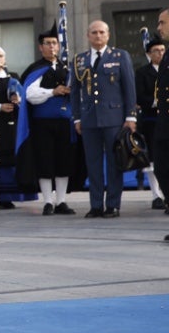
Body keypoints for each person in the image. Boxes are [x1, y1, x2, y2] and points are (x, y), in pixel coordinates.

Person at [70, 20, 137, 218]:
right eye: (94, 32)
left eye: (101, 32)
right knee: (93, 163)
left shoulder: (119, 56)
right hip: (89, 119)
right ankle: (96, 205)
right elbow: (75, 92)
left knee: (115, 163)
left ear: (108, 35)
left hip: (115, 118)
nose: (98, 36)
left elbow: (129, 89)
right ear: (88, 36)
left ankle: (113, 205)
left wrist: (131, 116)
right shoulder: (79, 60)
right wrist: (76, 118)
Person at [18, 23, 79, 216]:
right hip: (42, 123)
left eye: (54, 43)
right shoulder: (35, 69)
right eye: (47, 43)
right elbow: (29, 94)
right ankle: (48, 201)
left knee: (64, 161)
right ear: (40, 47)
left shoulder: (68, 68)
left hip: (64, 122)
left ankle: (61, 201)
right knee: (45, 160)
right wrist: (53, 91)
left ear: (59, 46)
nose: (51, 47)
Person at [0, 40, 36, 209]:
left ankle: (11, 195)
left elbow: (22, 96)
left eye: (1, 56)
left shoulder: (13, 77)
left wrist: (17, 100)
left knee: (11, 159)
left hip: (12, 125)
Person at [135, 33, 166, 209]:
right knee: (154, 159)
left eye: (162, 50)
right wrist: (157, 100)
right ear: (149, 54)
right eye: (156, 51)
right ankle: (156, 194)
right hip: (151, 120)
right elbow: (139, 96)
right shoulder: (142, 73)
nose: (160, 54)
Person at [151, 9, 169, 239]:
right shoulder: (166, 56)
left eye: (163, 23)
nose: (159, 27)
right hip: (164, 124)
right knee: (162, 170)